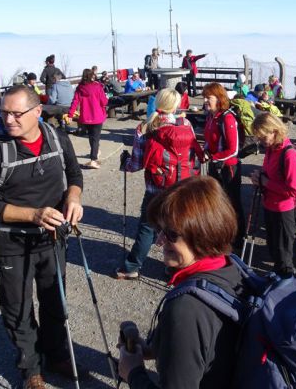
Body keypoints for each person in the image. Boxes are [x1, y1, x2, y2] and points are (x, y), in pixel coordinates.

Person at [0, 85, 84, 389]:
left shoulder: (57, 138)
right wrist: (34, 215)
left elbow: (74, 175)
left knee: (54, 301)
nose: (9, 119)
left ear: (37, 111)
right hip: (11, 242)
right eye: (4, 112)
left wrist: (74, 198)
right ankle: (30, 368)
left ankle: (57, 353)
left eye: (16, 113)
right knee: (18, 308)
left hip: (53, 238)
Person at [117, 176, 242, 388]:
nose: (158, 242)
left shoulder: (186, 309)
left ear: (202, 233)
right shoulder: (232, 267)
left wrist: (133, 373)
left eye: (171, 235)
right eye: (160, 231)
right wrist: (152, 347)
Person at [117, 89, 204, 279]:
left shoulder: (145, 127)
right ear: (176, 105)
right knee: (179, 228)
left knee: (147, 228)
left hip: (156, 189)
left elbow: (136, 165)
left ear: (157, 103)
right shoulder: (186, 124)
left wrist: (125, 163)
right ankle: (178, 266)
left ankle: (132, 267)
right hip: (183, 186)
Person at [250, 113, 296, 278]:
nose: (261, 141)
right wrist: (259, 177)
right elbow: (270, 175)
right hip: (270, 204)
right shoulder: (271, 149)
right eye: (259, 137)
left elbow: (295, 190)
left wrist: (265, 182)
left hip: (283, 210)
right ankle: (277, 279)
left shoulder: (289, 154)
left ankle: (285, 285)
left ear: (274, 131)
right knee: (273, 248)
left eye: (263, 136)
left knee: (284, 253)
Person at [202, 82, 245, 243]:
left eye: (209, 97)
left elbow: (233, 150)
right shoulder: (211, 117)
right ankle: (222, 233)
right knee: (217, 201)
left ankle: (238, 236)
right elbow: (208, 139)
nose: (206, 100)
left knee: (232, 202)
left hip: (229, 167)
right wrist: (205, 151)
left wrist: (213, 157)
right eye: (204, 97)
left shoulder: (227, 118)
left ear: (219, 98)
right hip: (216, 165)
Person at [68, 68, 108, 169]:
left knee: (92, 137)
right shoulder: (97, 86)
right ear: (92, 76)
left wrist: (70, 115)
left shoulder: (79, 88)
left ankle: (96, 151)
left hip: (86, 117)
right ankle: (93, 159)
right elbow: (104, 102)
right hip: (97, 116)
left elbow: (75, 101)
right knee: (96, 137)